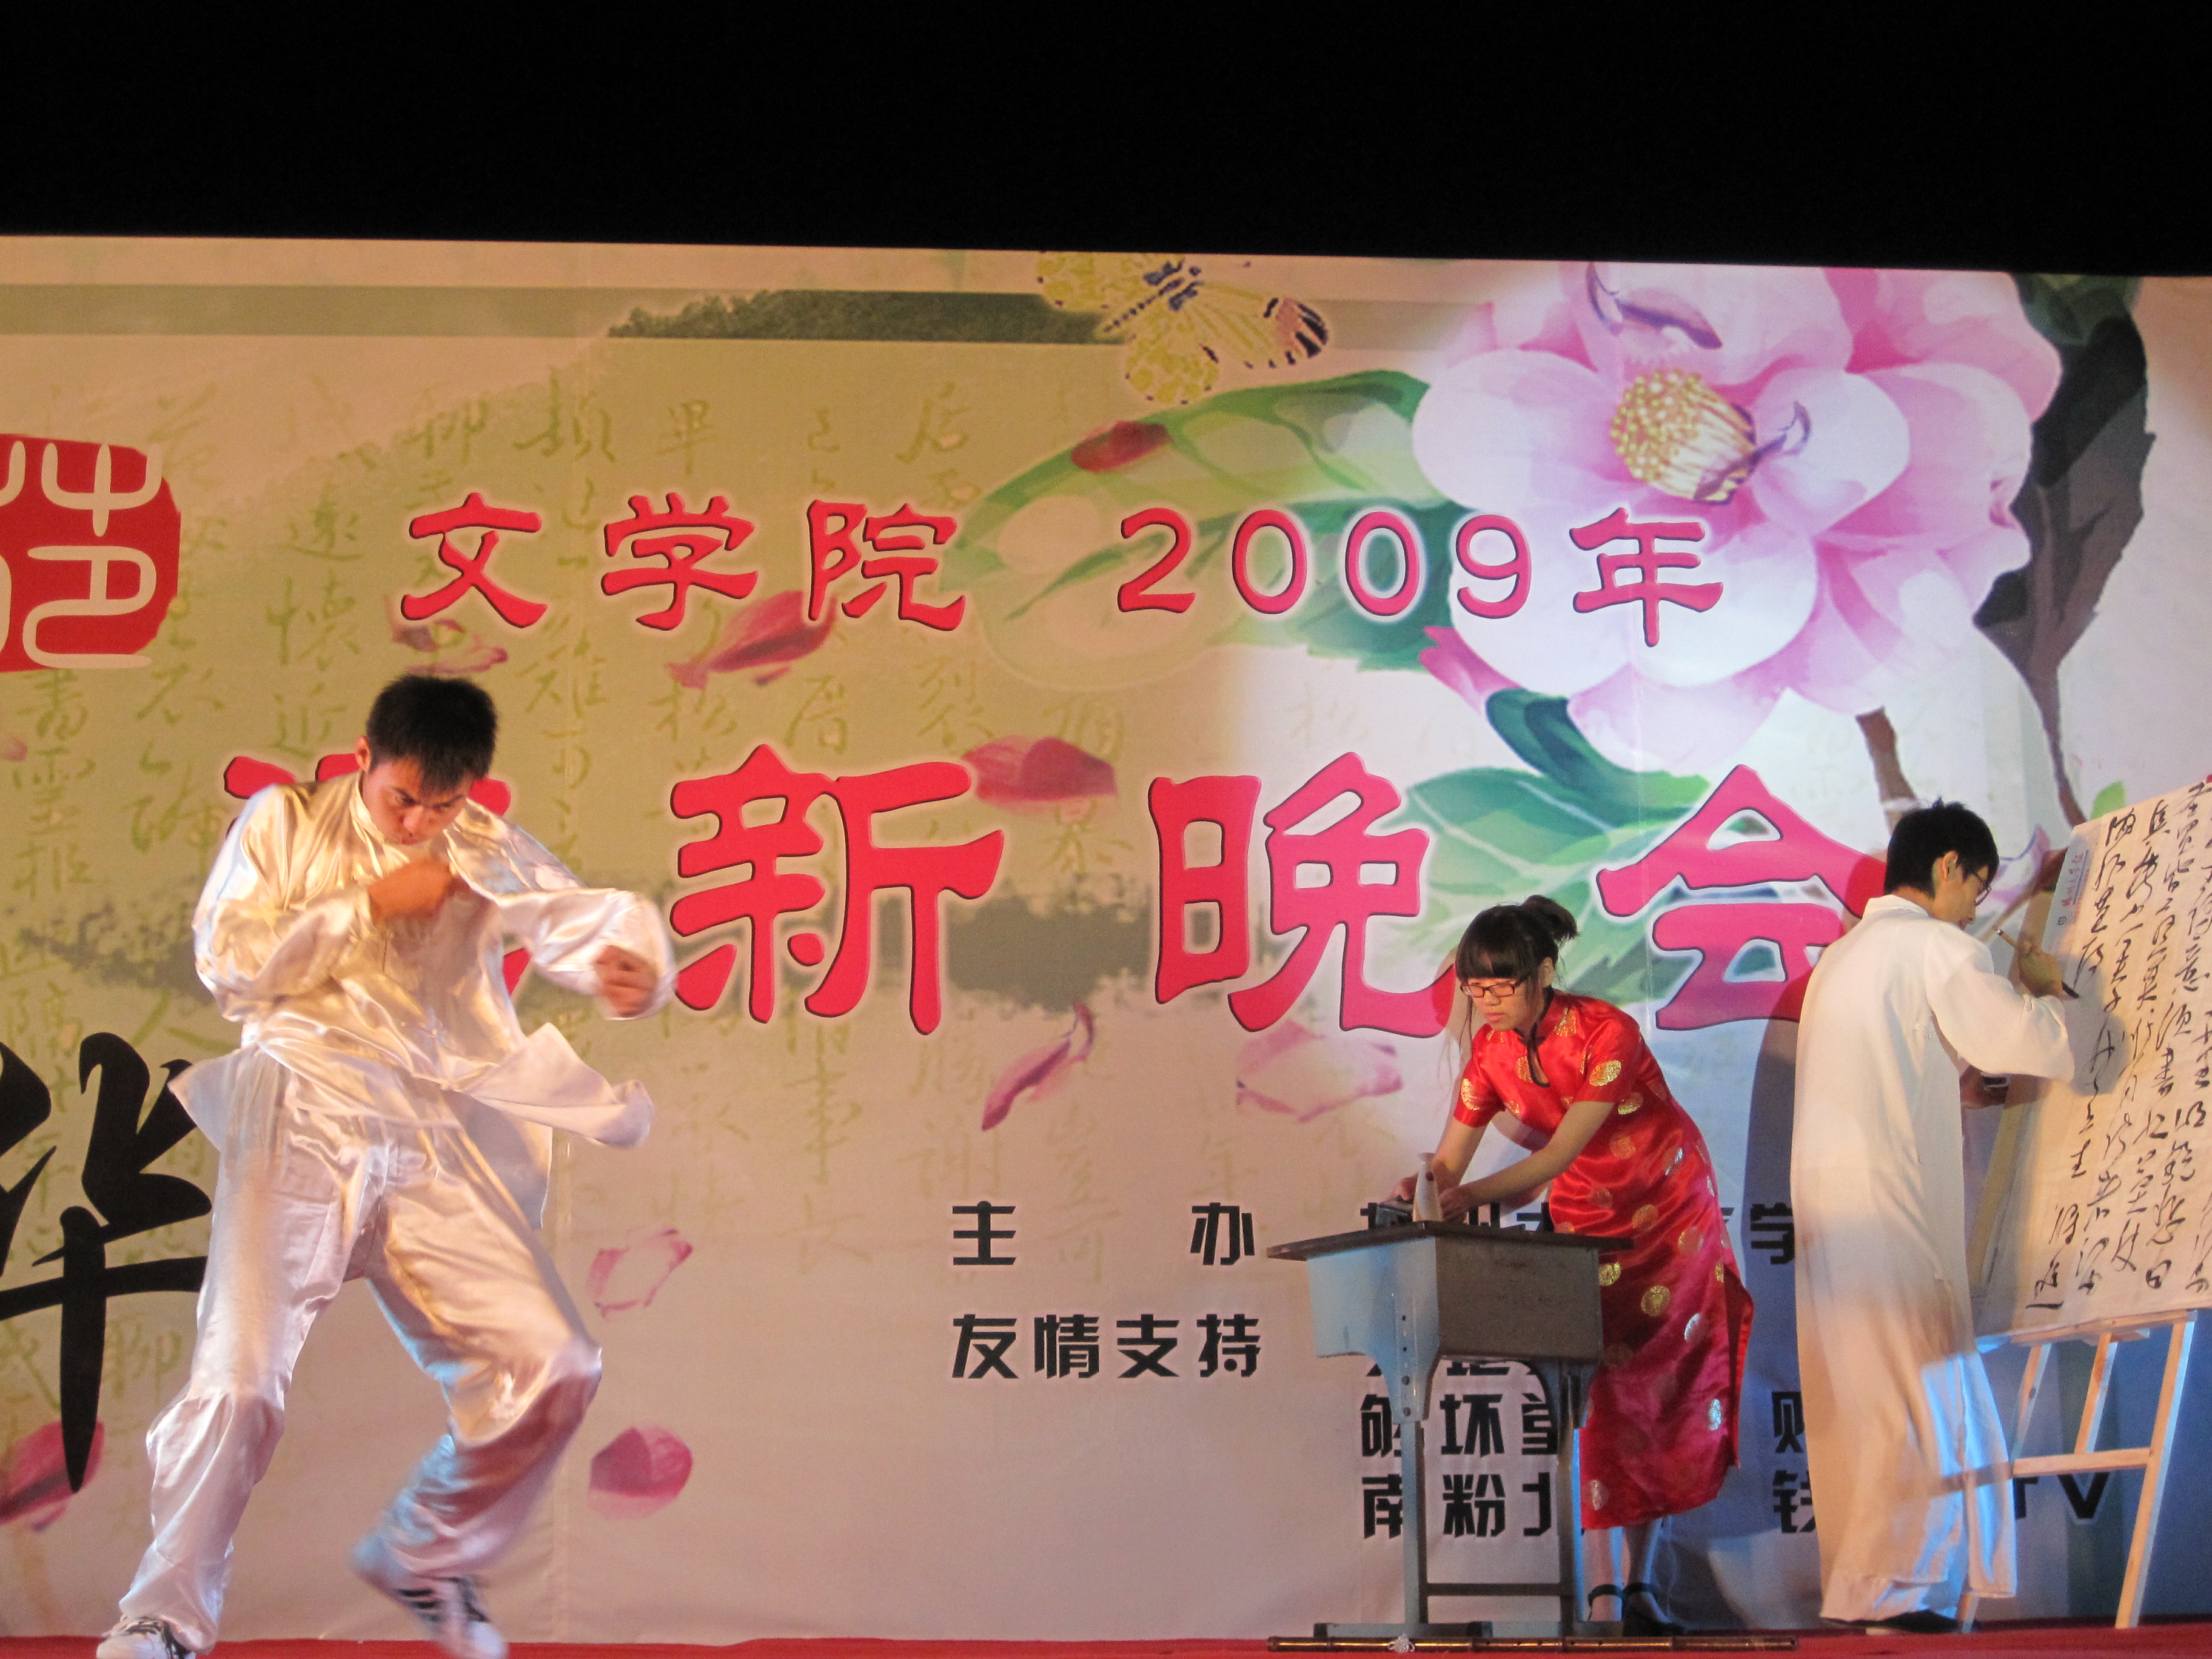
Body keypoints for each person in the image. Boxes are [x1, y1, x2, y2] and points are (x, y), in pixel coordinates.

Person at [99, 675, 674, 1659]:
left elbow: (580, 921)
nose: (417, 823)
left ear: (470, 793)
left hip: (426, 1132)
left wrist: (634, 974)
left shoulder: (476, 847)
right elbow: (229, 963)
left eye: (440, 806)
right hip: (301, 1109)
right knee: (240, 1382)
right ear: (364, 756)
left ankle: (428, 1552)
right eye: (402, 798)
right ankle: (162, 1616)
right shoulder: (284, 823)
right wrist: (364, 905)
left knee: (555, 1362)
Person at [1392, 896, 1751, 1637]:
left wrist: (1465, 1197)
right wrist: (1425, 1185)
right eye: (1475, 987)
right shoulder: (1489, 1056)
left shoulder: (1605, 1032)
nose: (1487, 1001)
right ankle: (1604, 1592)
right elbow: (1451, 1159)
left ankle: (1642, 1585)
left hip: (1668, 1212)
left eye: (1502, 984)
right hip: (1588, 1220)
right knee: (1600, 1394)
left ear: (1545, 973)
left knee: (1666, 1389)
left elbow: (1558, 1154)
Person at [1791, 801, 2071, 1635]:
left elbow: (1930, 1062)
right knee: (1918, 1383)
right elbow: (2026, 1043)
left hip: (1832, 1204)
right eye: (1978, 889)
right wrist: (2050, 993)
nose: (1976, 908)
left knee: (1865, 1395)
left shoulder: (1844, 957)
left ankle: (1873, 1585)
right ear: (1949, 866)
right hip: (1889, 1197)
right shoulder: (1935, 948)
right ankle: (1902, 1586)